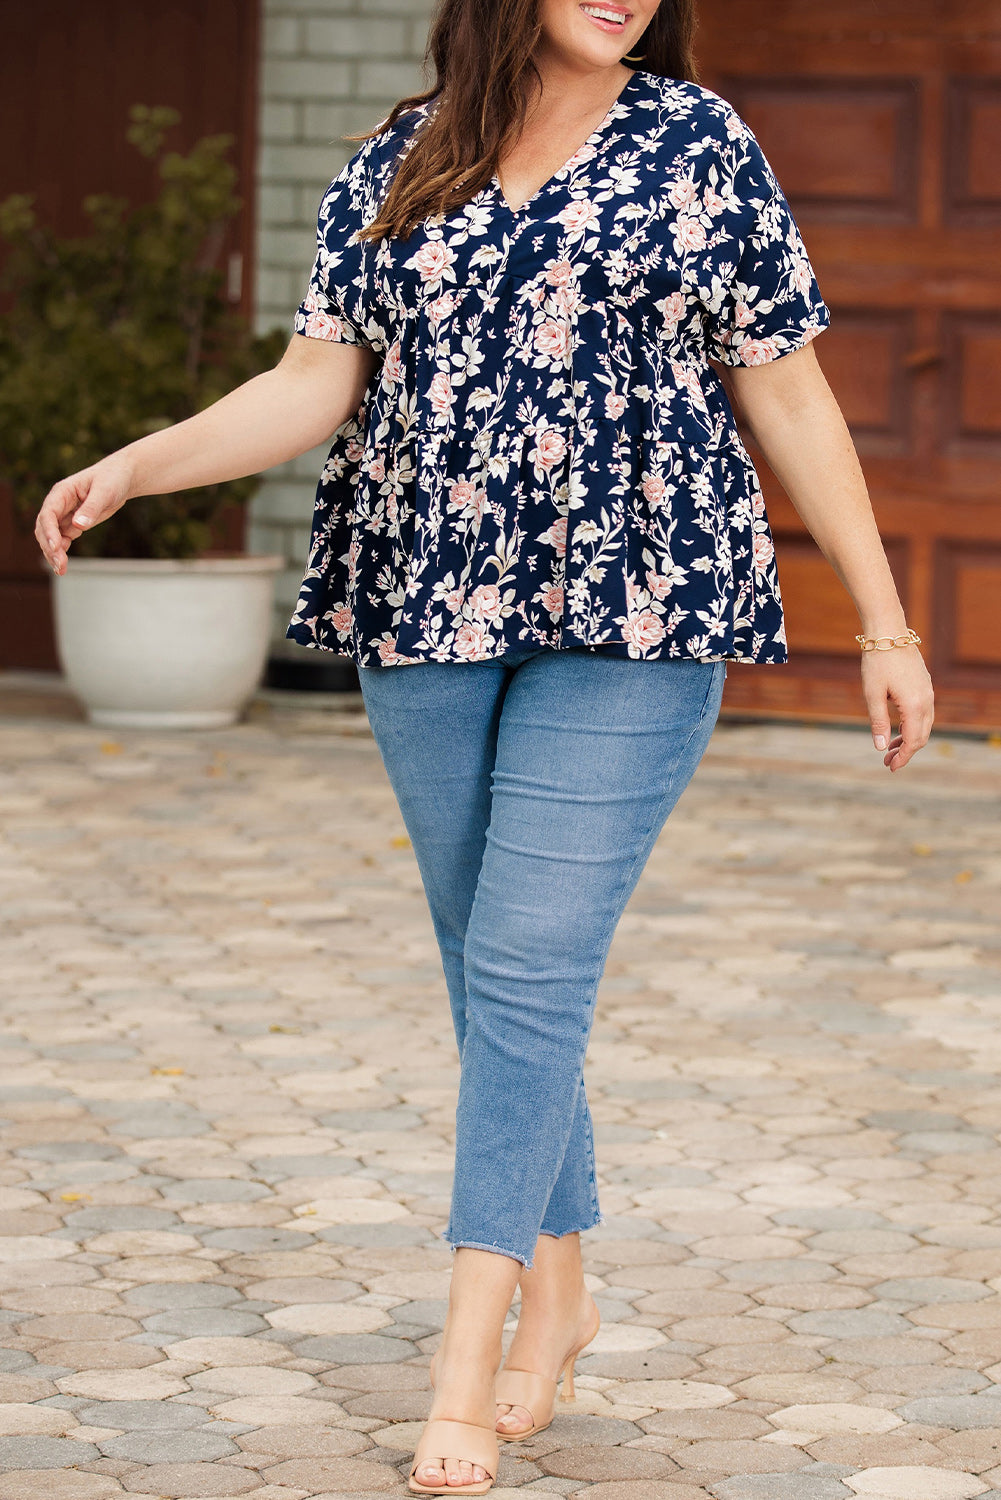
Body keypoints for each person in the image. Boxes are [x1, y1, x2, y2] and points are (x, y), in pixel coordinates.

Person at [35, 0, 935, 1492]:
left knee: (524, 967)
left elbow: (783, 382)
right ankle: (565, 1289)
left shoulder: (697, 142)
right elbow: (313, 387)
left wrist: (885, 624)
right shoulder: (399, 159)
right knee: (497, 974)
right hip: (426, 604)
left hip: (640, 605)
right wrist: (135, 464)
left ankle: (468, 1353)